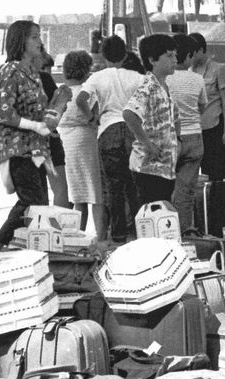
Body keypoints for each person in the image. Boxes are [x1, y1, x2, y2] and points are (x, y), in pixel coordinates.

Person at [0, 20, 56, 253]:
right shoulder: (11, 72)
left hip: (34, 149)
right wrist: (35, 126)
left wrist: (46, 123)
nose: (40, 41)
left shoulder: (31, 72)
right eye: (34, 37)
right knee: (31, 202)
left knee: (41, 205)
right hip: (18, 150)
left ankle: (34, 251)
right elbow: (3, 113)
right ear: (20, 41)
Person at [77, 35, 145, 243]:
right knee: (135, 185)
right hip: (133, 131)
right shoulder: (138, 77)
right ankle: (140, 231)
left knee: (114, 187)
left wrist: (91, 118)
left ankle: (118, 235)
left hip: (108, 131)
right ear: (125, 55)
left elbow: (80, 99)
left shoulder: (97, 77)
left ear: (103, 55)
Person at [123, 34, 179, 205]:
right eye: (169, 56)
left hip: (165, 167)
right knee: (152, 213)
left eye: (175, 55)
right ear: (152, 60)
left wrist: (179, 141)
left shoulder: (165, 86)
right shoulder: (148, 86)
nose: (175, 60)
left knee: (163, 211)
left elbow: (174, 119)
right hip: (148, 167)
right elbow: (129, 114)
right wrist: (148, 145)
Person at [57, 50, 105, 236]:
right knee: (95, 192)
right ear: (85, 70)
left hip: (65, 142)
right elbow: (96, 116)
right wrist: (92, 118)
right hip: (86, 141)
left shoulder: (59, 92)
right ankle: (101, 235)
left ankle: (76, 235)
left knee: (76, 194)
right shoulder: (88, 92)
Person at [166, 34, 208, 230]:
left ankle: (166, 230)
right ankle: (183, 232)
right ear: (190, 56)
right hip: (194, 138)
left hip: (170, 137)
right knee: (186, 192)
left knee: (166, 188)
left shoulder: (164, 78)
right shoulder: (197, 79)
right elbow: (202, 106)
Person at [190, 32, 225, 181]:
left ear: (201, 50)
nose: (190, 56)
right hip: (197, 129)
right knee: (203, 170)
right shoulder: (189, 70)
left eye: (193, 52)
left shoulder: (218, 69)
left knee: (218, 169)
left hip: (215, 126)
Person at [36, 47, 69, 209]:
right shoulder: (45, 79)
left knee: (37, 194)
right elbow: (59, 109)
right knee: (60, 189)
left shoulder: (14, 78)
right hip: (50, 139)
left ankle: (37, 224)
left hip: (27, 142)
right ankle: (59, 222)